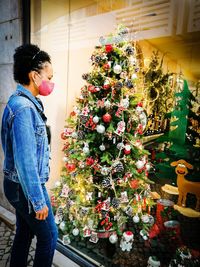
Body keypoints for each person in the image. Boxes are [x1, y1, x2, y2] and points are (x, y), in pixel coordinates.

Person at [1, 44, 58, 267]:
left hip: (16, 185)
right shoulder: (24, 108)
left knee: (24, 232)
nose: (51, 82)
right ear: (34, 76)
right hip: (24, 187)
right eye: (49, 77)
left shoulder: (19, 103)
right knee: (49, 236)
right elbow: (26, 163)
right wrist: (37, 201)